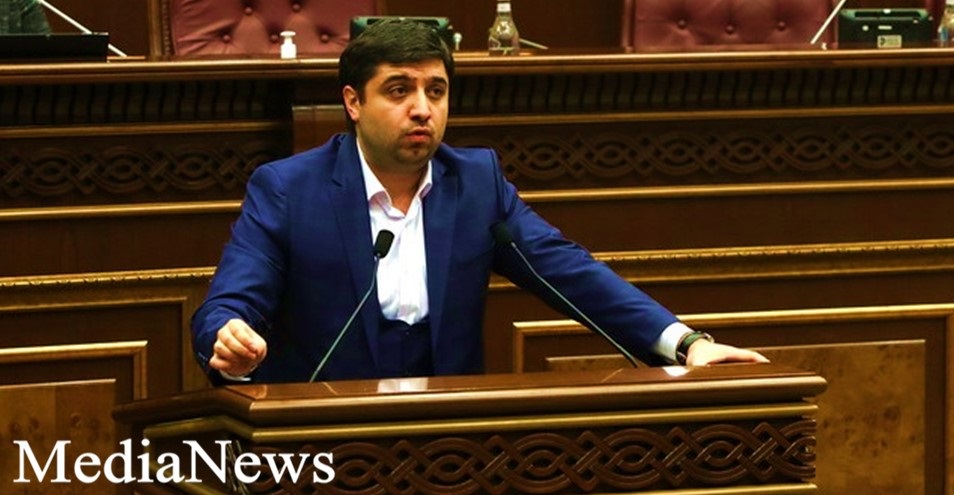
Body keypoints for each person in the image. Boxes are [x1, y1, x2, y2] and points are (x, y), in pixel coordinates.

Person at [191, 19, 768, 384]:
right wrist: (229, 338)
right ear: (353, 102)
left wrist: (686, 344)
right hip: (320, 438)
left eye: (436, 91)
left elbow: (571, 273)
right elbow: (227, 305)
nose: (423, 109)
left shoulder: (475, 183)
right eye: (399, 90)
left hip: (453, 437)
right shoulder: (289, 188)